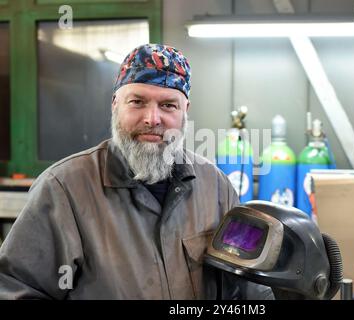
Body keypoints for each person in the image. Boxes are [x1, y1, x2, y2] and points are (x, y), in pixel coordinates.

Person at [0, 44, 273, 300]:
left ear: (184, 112)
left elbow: (246, 287)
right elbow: (16, 289)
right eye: (138, 102)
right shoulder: (64, 189)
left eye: (168, 105)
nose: (152, 119)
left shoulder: (216, 187)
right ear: (115, 105)